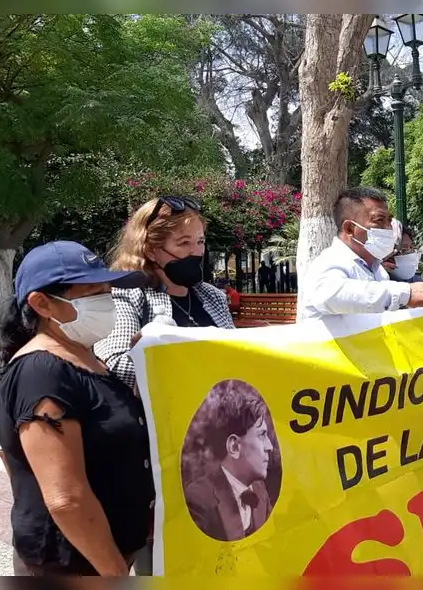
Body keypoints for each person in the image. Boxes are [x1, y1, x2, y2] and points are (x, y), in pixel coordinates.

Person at [0, 241, 154, 576]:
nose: (107, 301)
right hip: (75, 565)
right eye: (92, 292)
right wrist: (115, 575)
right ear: (41, 303)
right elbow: (66, 499)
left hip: (105, 558)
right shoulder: (42, 373)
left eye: (107, 291)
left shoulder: (88, 361)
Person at [94, 195, 235, 575]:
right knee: (158, 557)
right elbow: (113, 360)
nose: (196, 253)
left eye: (201, 242)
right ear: (153, 249)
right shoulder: (131, 294)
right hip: (157, 449)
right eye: (183, 244)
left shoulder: (212, 297)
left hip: (214, 449)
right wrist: (155, 356)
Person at [299, 187, 423, 321]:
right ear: (350, 228)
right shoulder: (329, 262)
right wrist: (405, 293)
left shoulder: (378, 271)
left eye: (389, 220)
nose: (388, 228)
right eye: (379, 220)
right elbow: (330, 295)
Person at [184, 382, 275, 542]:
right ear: (234, 446)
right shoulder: (199, 500)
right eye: (261, 435)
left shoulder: (260, 491)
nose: (269, 446)